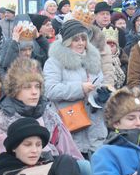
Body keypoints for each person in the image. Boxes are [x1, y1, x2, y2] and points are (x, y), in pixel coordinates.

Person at [0, 57, 82, 160]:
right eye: (27, 87)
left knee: (84, 167)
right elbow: (6, 163)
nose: (34, 92)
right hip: (23, 173)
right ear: (14, 90)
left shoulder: (51, 117)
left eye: (37, 86)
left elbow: (73, 155)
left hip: (59, 169)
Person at [43, 19, 106, 157]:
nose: (81, 43)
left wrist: (103, 94)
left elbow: (99, 83)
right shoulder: (54, 62)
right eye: (76, 39)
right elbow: (50, 90)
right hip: (71, 128)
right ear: (67, 41)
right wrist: (80, 88)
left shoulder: (93, 59)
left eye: (83, 39)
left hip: (95, 128)